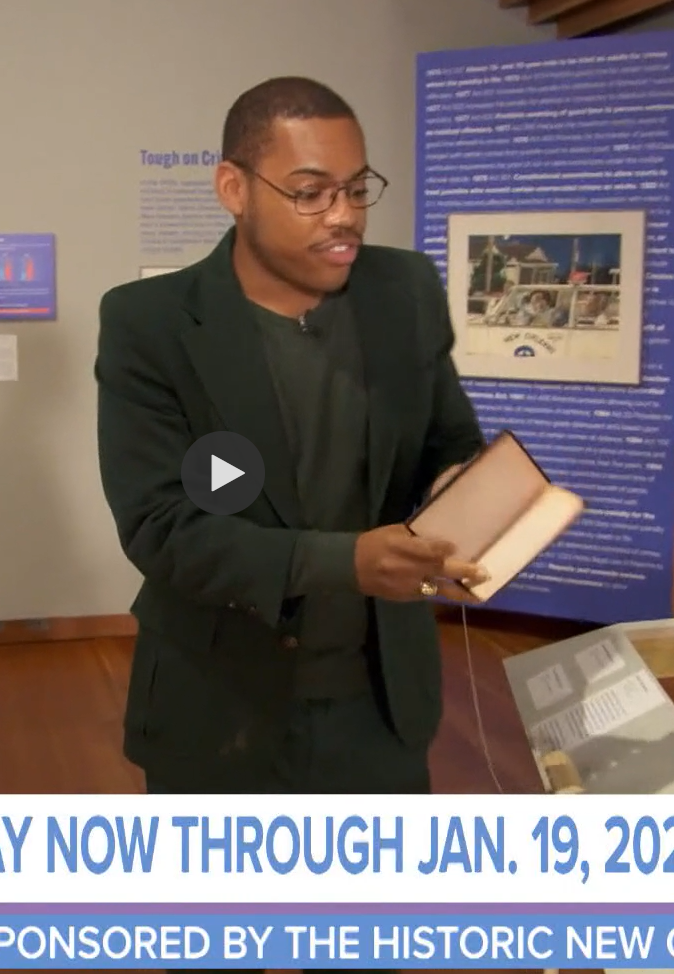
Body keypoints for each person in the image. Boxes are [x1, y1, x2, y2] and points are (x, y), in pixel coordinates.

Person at [93, 75, 489, 816]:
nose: (343, 217)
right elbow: (163, 528)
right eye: (310, 192)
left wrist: (456, 495)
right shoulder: (150, 324)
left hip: (382, 707)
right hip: (221, 713)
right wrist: (349, 561)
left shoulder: (403, 288)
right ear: (233, 187)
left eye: (357, 188)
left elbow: (449, 435)